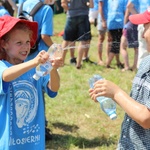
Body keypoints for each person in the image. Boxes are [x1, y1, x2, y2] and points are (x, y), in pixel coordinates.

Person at [89, 9, 150, 149]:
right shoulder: (146, 62)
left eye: (146, 27)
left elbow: (146, 119)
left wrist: (116, 93)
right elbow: (141, 104)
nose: (142, 33)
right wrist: (110, 95)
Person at [0, 15, 62, 149]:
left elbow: (54, 89)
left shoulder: (35, 69)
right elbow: (6, 76)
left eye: (27, 42)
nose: (25, 47)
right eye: (19, 43)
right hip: (8, 144)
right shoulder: (2, 67)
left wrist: (53, 68)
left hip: (34, 143)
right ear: (4, 44)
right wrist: (34, 62)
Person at [18, 0, 54, 140]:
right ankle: (41, 127)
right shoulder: (46, 9)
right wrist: (58, 47)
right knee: (40, 91)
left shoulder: (22, 4)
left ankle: (24, 125)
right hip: (41, 57)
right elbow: (45, 36)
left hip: (23, 58)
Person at [61, 0, 95, 69]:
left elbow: (63, 4)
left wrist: (69, 9)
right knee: (83, 41)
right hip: (83, 15)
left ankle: (61, 61)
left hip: (71, 15)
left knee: (66, 39)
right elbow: (91, 5)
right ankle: (78, 63)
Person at [127, 0, 150, 68]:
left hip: (144, 20)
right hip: (145, 19)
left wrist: (140, 16)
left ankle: (141, 73)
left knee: (143, 50)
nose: (143, 35)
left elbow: (129, 6)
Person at [105, 0, 127, 69]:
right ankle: (108, 63)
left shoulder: (109, 1)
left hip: (111, 23)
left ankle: (118, 61)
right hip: (119, 23)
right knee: (116, 44)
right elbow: (125, 11)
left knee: (116, 43)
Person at [120, 0, 138, 72]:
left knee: (123, 46)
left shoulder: (131, 2)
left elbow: (127, 14)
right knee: (137, 48)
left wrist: (124, 26)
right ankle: (135, 66)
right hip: (139, 25)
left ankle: (126, 66)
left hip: (130, 24)